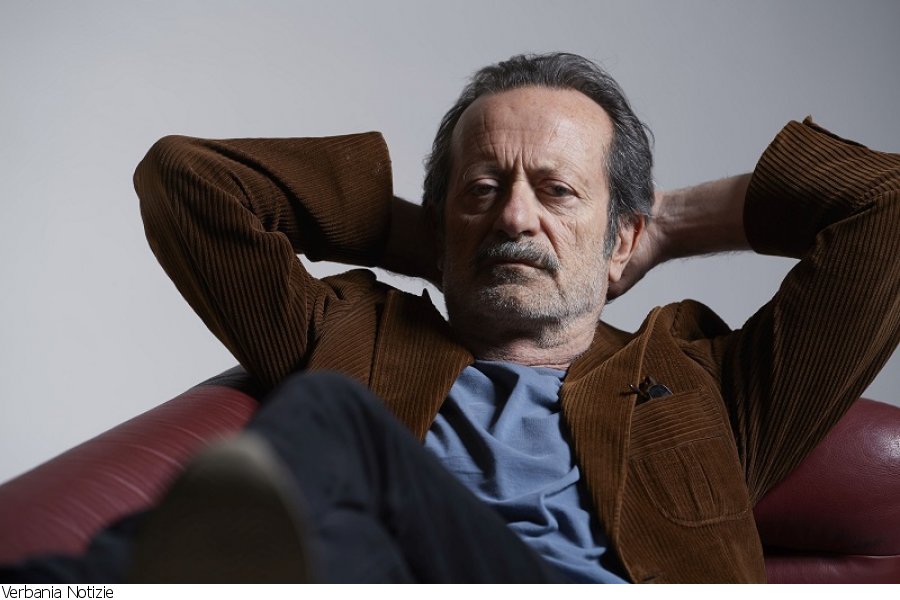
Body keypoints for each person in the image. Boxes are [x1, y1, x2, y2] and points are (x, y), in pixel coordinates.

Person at [5, 52, 899, 584]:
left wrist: (669, 223)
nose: (515, 216)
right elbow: (185, 180)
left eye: (557, 192)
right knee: (336, 536)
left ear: (620, 236)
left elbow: (888, 208)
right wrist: (440, 241)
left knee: (333, 420)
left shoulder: (711, 384)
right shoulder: (351, 332)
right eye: (483, 190)